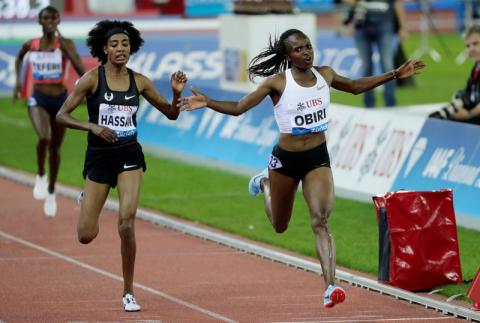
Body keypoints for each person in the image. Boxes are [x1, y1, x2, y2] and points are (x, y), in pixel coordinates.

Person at [178, 29, 425, 308]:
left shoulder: (325, 75)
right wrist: (208, 102)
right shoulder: (277, 83)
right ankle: (265, 184)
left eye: (308, 46)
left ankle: (331, 286)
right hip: (285, 161)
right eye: (298, 49)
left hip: (317, 158)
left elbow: (355, 86)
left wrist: (393, 74)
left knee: (320, 219)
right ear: (287, 55)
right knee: (280, 226)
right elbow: (238, 107)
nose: (306, 52)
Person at [56, 20, 187, 312]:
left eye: (125, 45)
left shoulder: (139, 81)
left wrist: (176, 94)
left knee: (126, 222)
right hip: (99, 158)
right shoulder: (91, 79)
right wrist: (93, 127)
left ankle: (128, 291)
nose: (120, 49)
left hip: (129, 155)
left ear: (132, 48)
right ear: (104, 48)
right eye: (114, 45)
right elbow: (61, 116)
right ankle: (86, 197)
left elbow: (171, 114)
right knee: (86, 236)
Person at [12, 5, 85, 217]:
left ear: (59, 20)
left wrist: (66, 50)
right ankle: (41, 175)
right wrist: (18, 82)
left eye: (54, 17)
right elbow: (18, 58)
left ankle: (52, 191)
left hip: (61, 101)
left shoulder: (66, 44)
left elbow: (80, 68)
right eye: (46, 18)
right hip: (38, 98)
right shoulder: (31, 44)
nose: (50, 21)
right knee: (44, 137)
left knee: (55, 149)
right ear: (40, 21)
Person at [343, 0, 407, 107]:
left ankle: (391, 104)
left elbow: (397, 4)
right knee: (367, 67)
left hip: (385, 25)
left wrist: (402, 27)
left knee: (387, 66)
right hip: (362, 26)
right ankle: (369, 106)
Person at [429, 24, 480, 125]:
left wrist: (468, 115)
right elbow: (468, 94)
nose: (471, 49)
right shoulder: (476, 68)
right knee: (435, 118)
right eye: (468, 46)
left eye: (475, 44)